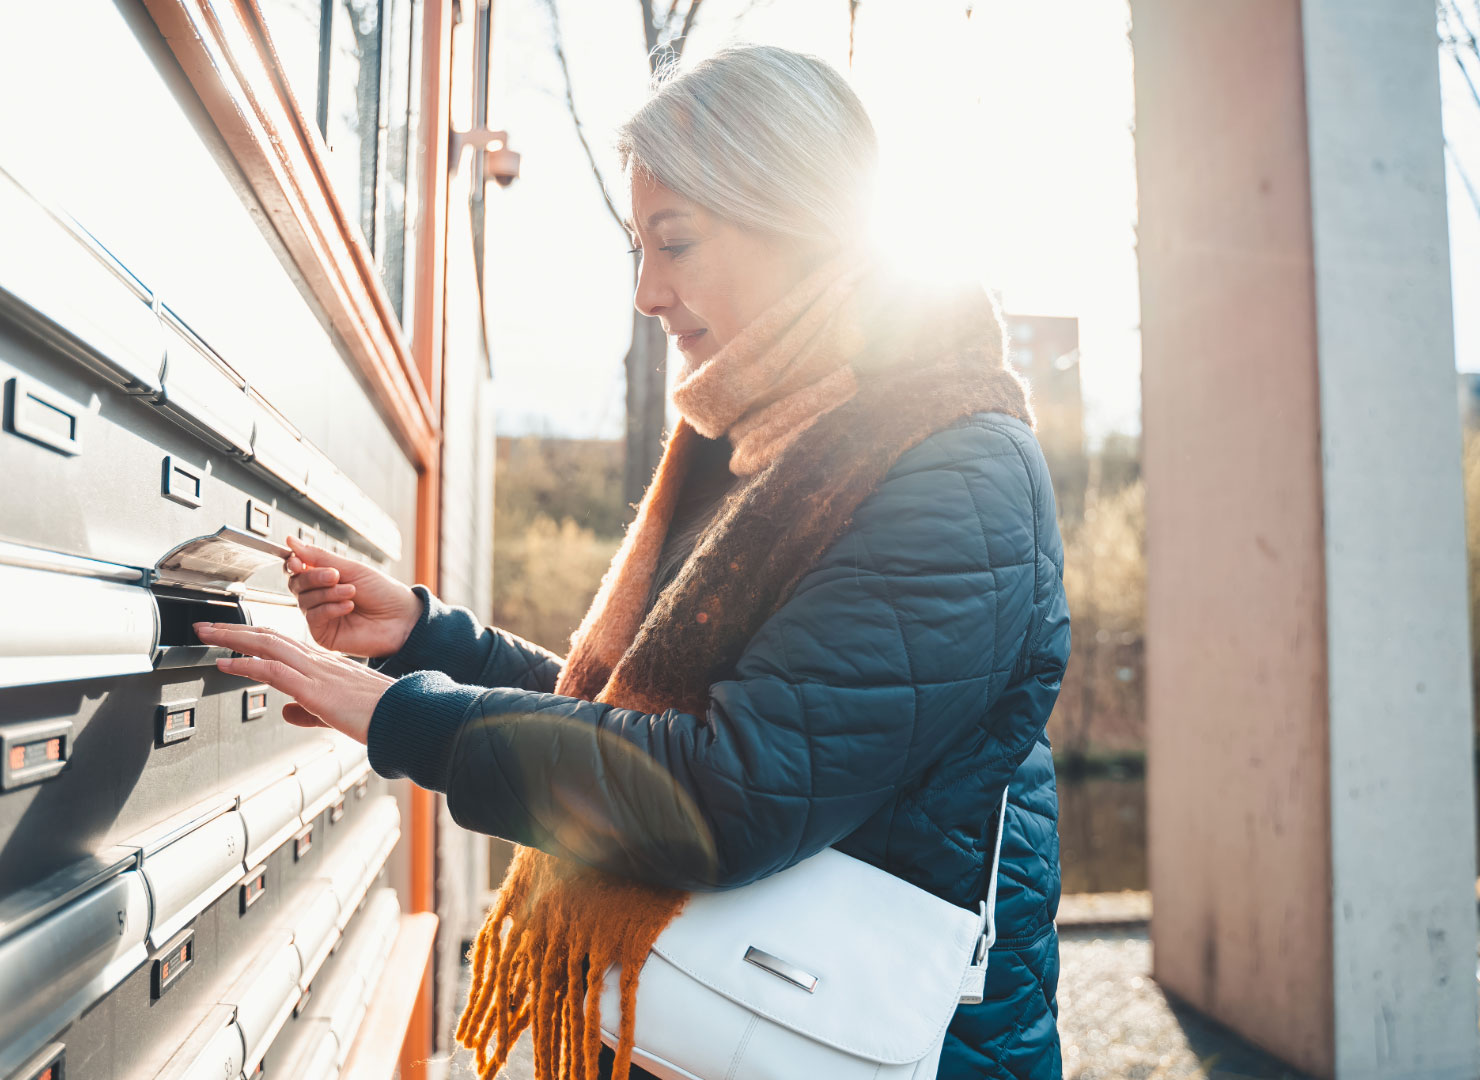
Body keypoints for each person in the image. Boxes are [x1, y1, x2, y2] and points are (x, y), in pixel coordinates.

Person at [194, 44, 1069, 1080]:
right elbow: (650, 721)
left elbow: (725, 791)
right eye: (637, 250)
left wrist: (403, 718)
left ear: (801, 221)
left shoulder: (953, 473)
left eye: (678, 242)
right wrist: (429, 639)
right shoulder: (770, 446)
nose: (649, 291)